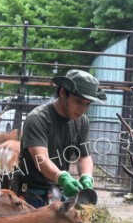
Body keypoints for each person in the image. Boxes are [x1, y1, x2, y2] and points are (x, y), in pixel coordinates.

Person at [15, 69, 106, 208]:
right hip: (31, 194)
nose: (82, 109)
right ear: (63, 92)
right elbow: (41, 159)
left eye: (87, 104)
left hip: (59, 193)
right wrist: (62, 177)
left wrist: (87, 176)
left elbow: (84, 156)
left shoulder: (82, 121)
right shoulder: (38, 119)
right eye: (78, 101)